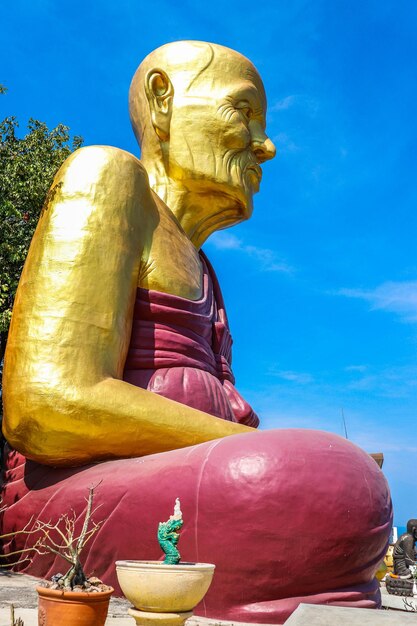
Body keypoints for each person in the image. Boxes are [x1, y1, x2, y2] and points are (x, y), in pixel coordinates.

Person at [1, 42, 392, 624]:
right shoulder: (110, 177)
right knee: (312, 477)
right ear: (163, 100)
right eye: (243, 113)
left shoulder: (205, 269)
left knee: (333, 476)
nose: (266, 145)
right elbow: (44, 403)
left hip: (169, 480)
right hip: (62, 491)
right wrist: (238, 448)